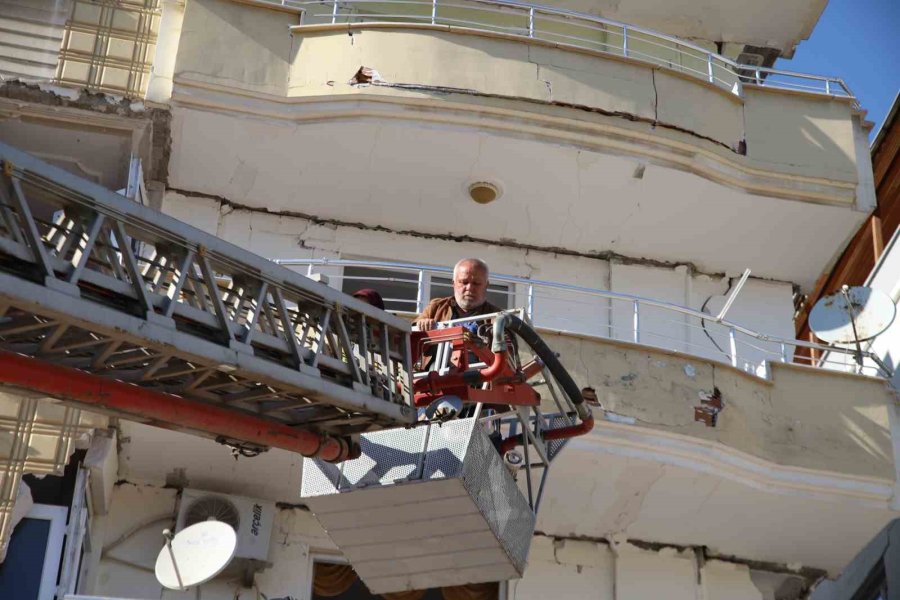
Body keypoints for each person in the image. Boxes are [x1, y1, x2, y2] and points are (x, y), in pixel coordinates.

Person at [415, 258, 498, 330]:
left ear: (486, 285)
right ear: (454, 284)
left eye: (476, 283)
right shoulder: (436, 307)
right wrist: (422, 324)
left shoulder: (497, 316)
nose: (469, 288)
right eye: (464, 282)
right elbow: (411, 333)